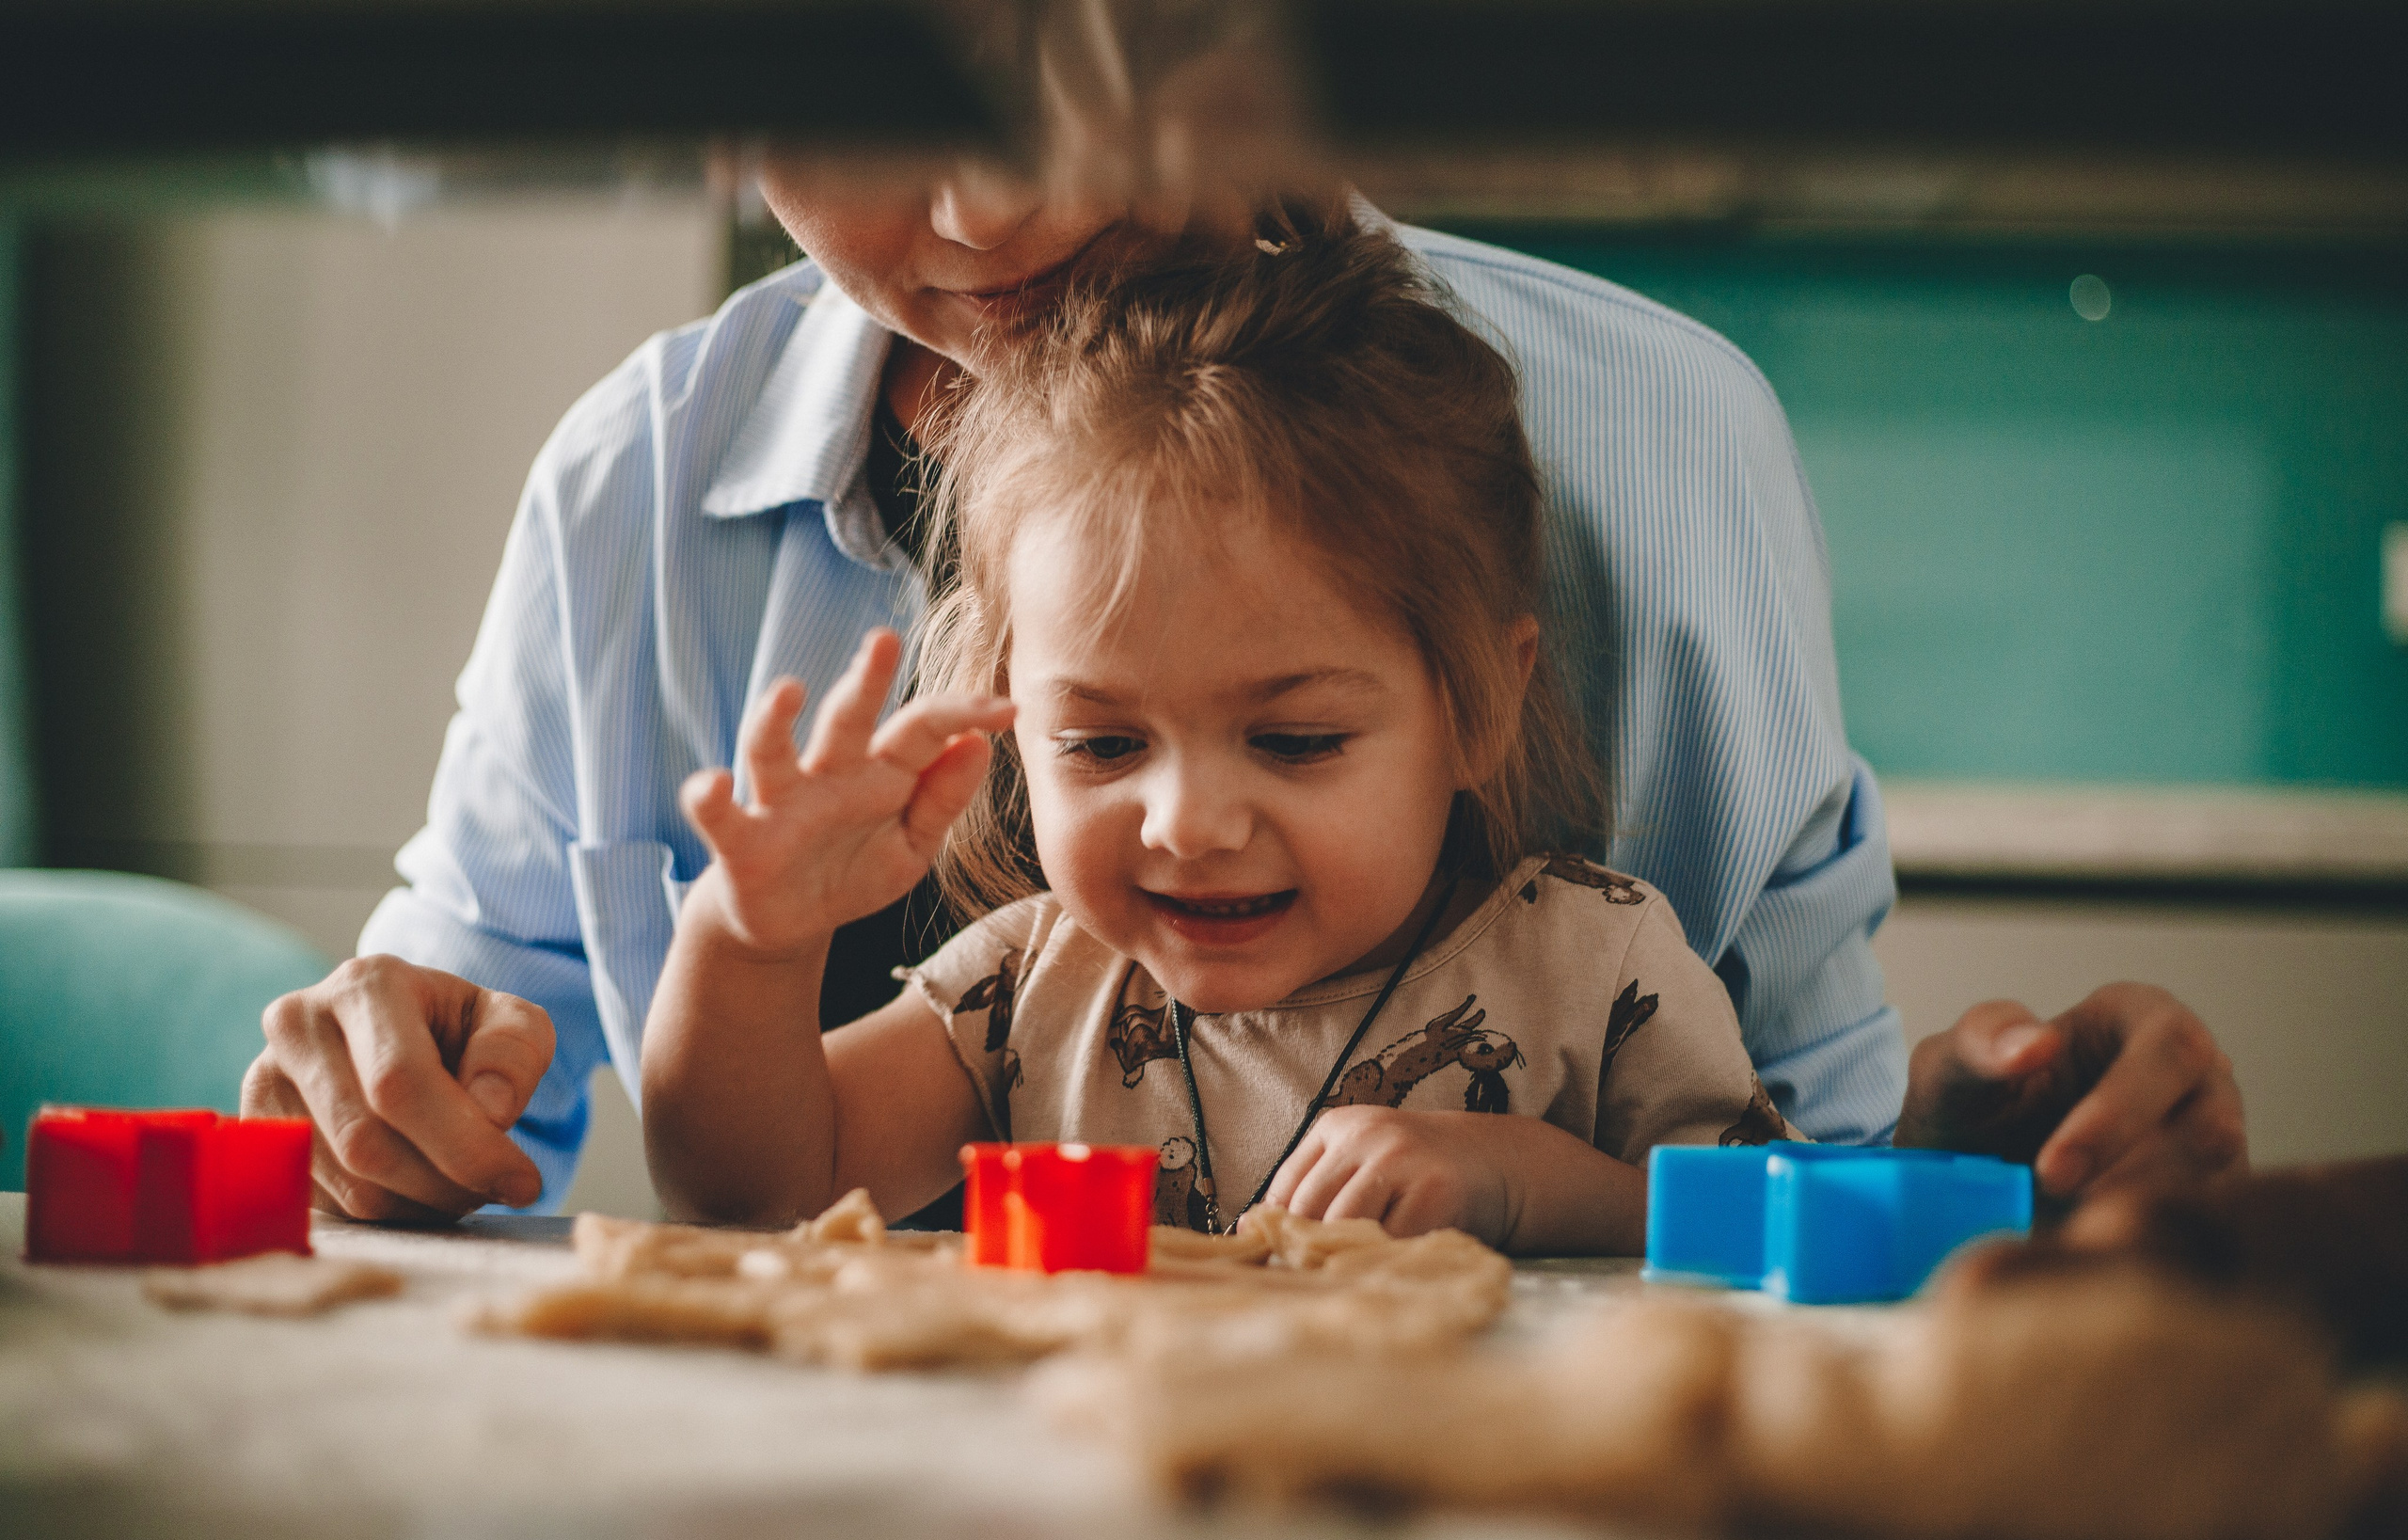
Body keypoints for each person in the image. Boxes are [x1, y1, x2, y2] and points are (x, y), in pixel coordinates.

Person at [239, 156, 2243, 1223]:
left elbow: (1800, 1197)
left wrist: (2001, 1140)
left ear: (1482, 696)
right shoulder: (626, 490)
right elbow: (606, 1113)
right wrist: (409, 1078)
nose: (983, 215)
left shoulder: (1663, 456)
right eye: (1099, 739)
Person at [642, 217, 1796, 1250]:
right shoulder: (1029, 987)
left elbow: (1766, 1225)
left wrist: (1526, 1183)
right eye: (1100, 746)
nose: (1186, 826)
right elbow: (757, 1194)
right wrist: (748, 944)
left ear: (1479, 706)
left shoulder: (1596, 968)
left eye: (1294, 741)